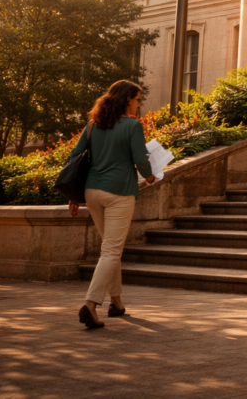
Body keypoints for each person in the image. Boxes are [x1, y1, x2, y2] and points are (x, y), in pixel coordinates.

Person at [68, 80, 157, 329]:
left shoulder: (93, 125)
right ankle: (90, 304)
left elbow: (74, 159)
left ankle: (116, 302)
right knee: (111, 251)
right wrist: (151, 177)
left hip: (91, 193)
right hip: (118, 192)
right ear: (127, 99)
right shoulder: (132, 126)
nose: (139, 104)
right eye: (138, 99)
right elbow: (140, 159)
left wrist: (73, 196)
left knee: (110, 248)